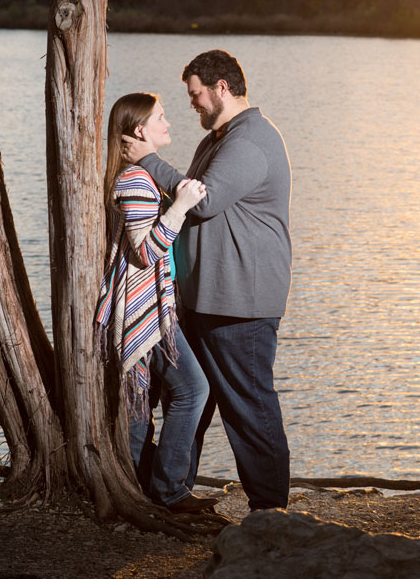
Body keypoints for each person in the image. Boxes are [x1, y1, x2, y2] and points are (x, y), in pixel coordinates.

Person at [122, 50, 293, 511]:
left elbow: (202, 202)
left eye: (195, 94)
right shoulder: (219, 137)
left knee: (250, 409)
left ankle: (270, 512)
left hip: (241, 303)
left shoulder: (251, 140)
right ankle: (169, 493)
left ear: (221, 88)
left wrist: (149, 160)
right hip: (202, 298)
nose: (191, 104)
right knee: (187, 399)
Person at [95, 92, 218, 514]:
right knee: (191, 389)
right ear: (141, 130)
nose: (169, 122)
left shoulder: (137, 177)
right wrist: (181, 207)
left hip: (153, 309)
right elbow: (145, 253)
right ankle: (164, 491)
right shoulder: (134, 182)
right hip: (141, 310)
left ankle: (145, 487)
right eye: (160, 117)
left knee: (141, 405)